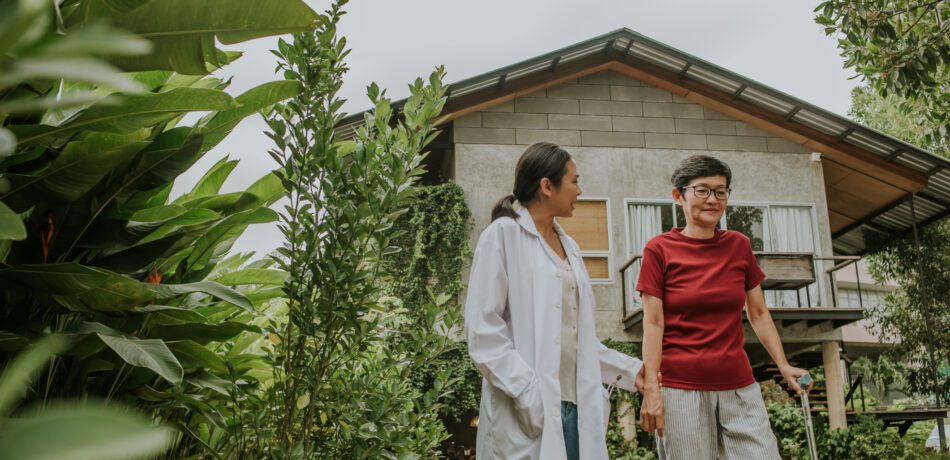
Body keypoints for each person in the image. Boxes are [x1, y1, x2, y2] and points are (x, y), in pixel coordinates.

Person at [465, 142, 644, 460]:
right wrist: (528, 392)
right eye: (574, 181)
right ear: (547, 186)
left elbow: (577, 342)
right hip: (528, 408)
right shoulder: (503, 235)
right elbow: (483, 332)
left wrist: (635, 371)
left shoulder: (571, 248)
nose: (579, 190)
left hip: (575, 410)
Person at [636, 155, 812, 459]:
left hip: (738, 385)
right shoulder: (658, 249)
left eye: (721, 191)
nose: (713, 200)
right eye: (702, 190)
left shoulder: (739, 245)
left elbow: (757, 312)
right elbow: (653, 323)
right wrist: (652, 388)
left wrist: (783, 365)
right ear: (679, 195)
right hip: (681, 389)